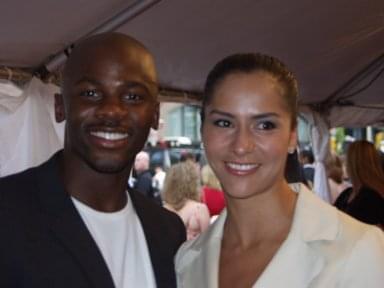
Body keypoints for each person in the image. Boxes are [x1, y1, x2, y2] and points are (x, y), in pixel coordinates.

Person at [175, 53, 384, 287]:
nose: (242, 145)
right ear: (203, 131)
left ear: (292, 136)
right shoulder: (188, 260)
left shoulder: (358, 248)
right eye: (224, 123)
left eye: (265, 125)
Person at [0, 32, 186, 288]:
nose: (112, 110)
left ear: (154, 114)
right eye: (90, 93)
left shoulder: (168, 231)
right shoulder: (8, 215)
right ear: (60, 106)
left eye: (132, 96)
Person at [334, 140, 384, 227]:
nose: (345, 165)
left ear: (353, 164)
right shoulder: (348, 193)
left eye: (347, 161)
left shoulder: (370, 197)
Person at [163, 161, 210, 240]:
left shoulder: (163, 209)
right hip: (191, 250)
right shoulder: (199, 209)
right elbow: (207, 242)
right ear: (193, 182)